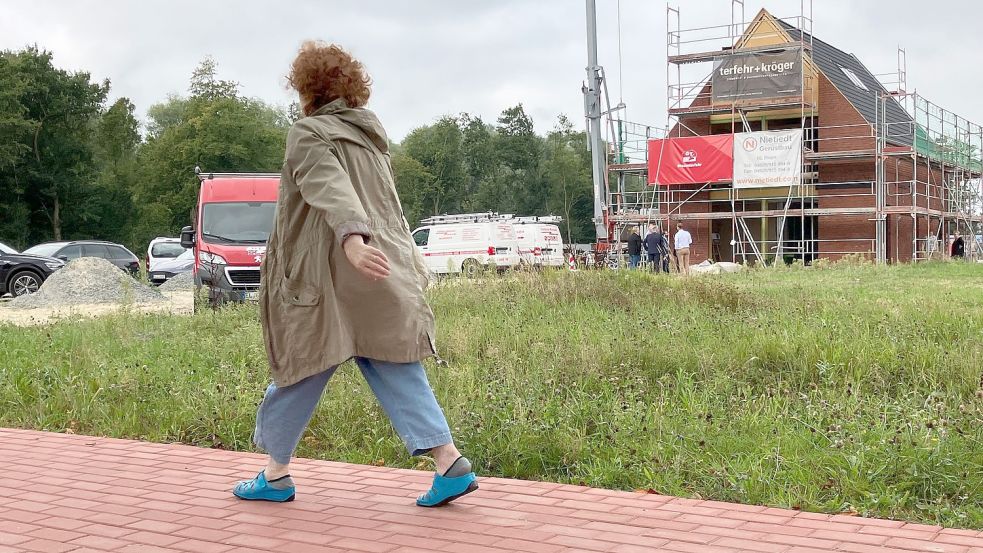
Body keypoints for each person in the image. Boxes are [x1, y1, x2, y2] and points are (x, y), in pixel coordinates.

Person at [232, 42, 477, 508]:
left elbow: (330, 186)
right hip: (378, 272)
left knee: (300, 365)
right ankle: (448, 463)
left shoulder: (308, 134)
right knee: (394, 364)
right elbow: (387, 208)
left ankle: (275, 474)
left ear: (305, 88)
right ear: (351, 87)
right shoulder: (370, 142)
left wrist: (350, 237)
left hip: (329, 278)